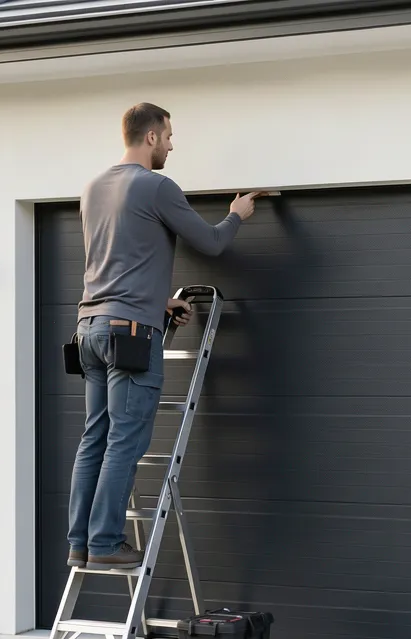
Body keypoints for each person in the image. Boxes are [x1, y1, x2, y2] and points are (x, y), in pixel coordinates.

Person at [66, 102, 265, 570]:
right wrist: (236, 214)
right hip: (131, 334)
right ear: (151, 136)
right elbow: (212, 243)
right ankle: (106, 544)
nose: (173, 144)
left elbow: (115, 261)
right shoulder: (156, 187)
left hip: (89, 330)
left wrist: (159, 302)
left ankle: (80, 542)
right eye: (169, 136)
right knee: (125, 442)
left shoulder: (93, 187)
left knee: (94, 437)